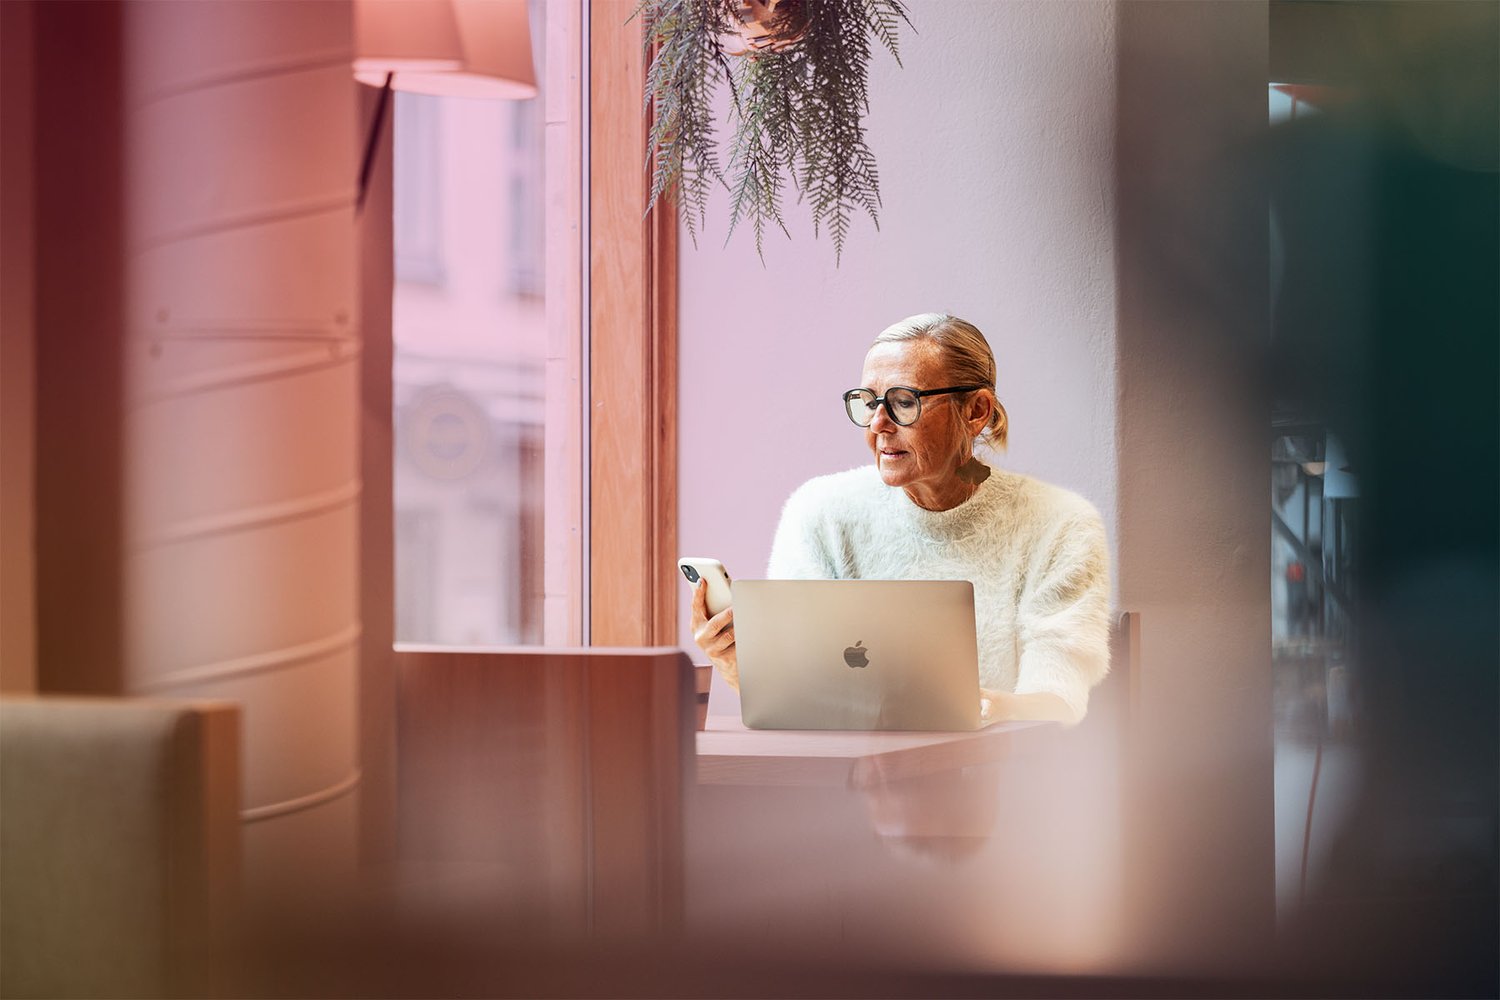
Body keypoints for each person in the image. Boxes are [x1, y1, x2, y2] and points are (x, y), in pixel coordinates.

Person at [692, 313, 1111, 724]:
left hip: (994, 780)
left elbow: (1057, 702)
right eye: (869, 402)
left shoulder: (1060, 524)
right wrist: (737, 665)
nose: (878, 424)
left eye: (903, 402)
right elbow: (798, 699)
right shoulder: (820, 511)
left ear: (976, 411)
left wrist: (987, 710)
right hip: (843, 779)